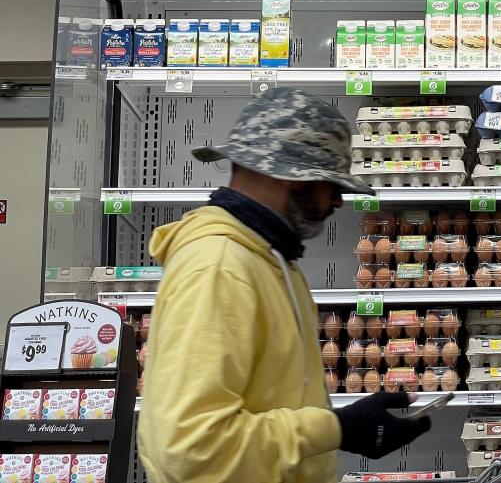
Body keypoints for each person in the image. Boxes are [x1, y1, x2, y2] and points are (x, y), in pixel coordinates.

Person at [138, 87, 430, 483]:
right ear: (294, 178)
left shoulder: (268, 258)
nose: (338, 202)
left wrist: (339, 425)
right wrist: (336, 429)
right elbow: (191, 447)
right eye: (333, 186)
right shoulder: (220, 268)